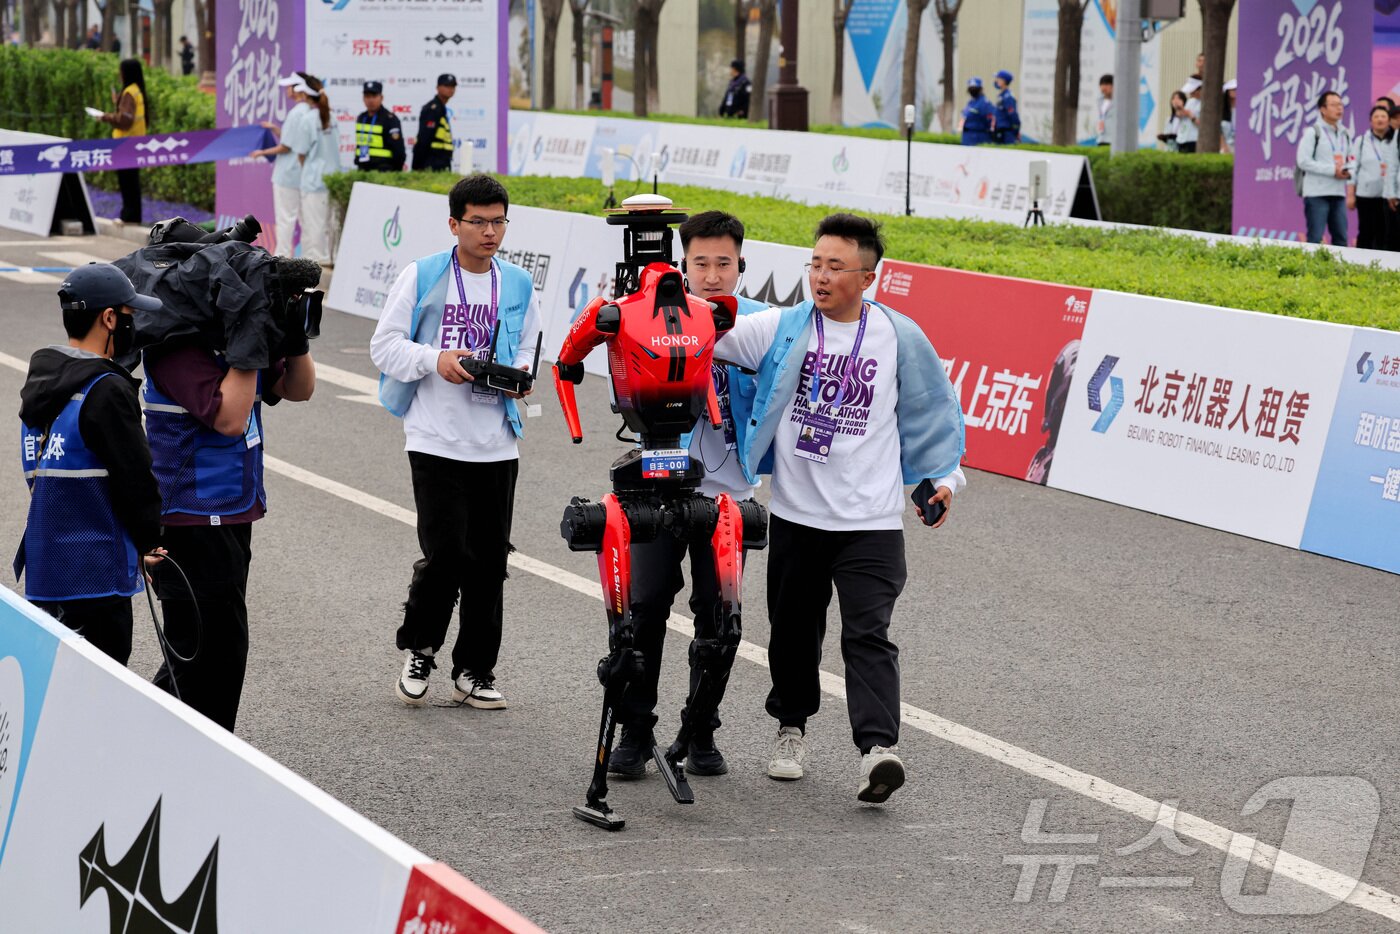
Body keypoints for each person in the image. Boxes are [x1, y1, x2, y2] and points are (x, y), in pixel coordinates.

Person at [716, 213, 965, 804]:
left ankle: (877, 751)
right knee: (794, 634)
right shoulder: (781, 328)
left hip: (871, 523)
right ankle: (791, 728)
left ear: (868, 276)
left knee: (869, 634)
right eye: (815, 264)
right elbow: (708, 336)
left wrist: (945, 480)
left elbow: (933, 414)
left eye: (835, 266)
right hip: (799, 515)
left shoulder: (901, 337)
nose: (821, 276)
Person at [370, 174, 543, 709]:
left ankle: (475, 670)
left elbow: (532, 347)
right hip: (434, 440)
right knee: (445, 555)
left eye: (499, 221)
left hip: (496, 441)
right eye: (479, 222)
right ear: (455, 224)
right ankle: (421, 647)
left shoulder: (515, 283)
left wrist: (518, 374)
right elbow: (385, 347)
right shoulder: (422, 275)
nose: (491, 232)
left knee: (490, 561)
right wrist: (435, 359)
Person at [608, 211, 767, 780]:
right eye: (700, 262)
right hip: (657, 490)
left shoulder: (763, 326)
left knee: (719, 616)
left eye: (724, 263)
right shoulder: (652, 315)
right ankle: (634, 728)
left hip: (728, 499)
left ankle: (701, 729)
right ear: (682, 265)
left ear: (741, 265)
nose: (712, 274)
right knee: (644, 608)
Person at [141, 265, 317, 731]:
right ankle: (182, 757)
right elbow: (230, 420)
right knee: (208, 655)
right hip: (189, 522)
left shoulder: (231, 341)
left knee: (209, 655)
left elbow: (298, 389)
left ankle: (159, 751)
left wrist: (294, 337)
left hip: (233, 514)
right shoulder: (176, 349)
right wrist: (248, 340)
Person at [17, 264, 164, 665]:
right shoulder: (107, 388)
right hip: (97, 573)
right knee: (97, 693)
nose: (132, 326)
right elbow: (136, 478)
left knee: (53, 688)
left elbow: (34, 472)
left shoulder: (42, 384)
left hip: (46, 567)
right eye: (129, 316)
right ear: (109, 318)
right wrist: (151, 542)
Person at [249, 75, 314, 258]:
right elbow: (291, 139)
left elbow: (286, 146)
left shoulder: (296, 113)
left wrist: (261, 152)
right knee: (305, 218)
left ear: (298, 89)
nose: (287, 91)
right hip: (302, 174)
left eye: (289, 87)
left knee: (286, 218)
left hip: (287, 175)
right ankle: (309, 257)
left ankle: (282, 257)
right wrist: (274, 128)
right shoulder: (309, 111)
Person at [1297, 90, 1354, 246]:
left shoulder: (1345, 134)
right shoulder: (1313, 132)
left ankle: (1339, 270)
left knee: (1341, 238)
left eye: (1341, 105)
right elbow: (1303, 161)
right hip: (1317, 193)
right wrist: (1332, 170)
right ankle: (1310, 270)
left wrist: (1348, 171)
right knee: (1315, 237)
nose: (1339, 108)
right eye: (1334, 105)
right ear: (1322, 109)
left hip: (1338, 192)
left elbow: (1351, 158)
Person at [96, 58, 148, 224]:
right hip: (136, 142)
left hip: (125, 144)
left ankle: (129, 215)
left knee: (127, 182)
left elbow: (125, 121)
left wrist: (106, 117)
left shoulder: (129, 93)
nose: (120, 75)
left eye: (121, 72)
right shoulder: (136, 90)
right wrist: (118, 103)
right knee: (132, 181)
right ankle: (133, 215)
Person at [299, 76, 340, 265]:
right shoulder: (333, 117)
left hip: (313, 180)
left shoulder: (308, 119)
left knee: (314, 225)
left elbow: (301, 153)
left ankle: (317, 263)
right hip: (333, 178)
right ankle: (330, 257)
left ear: (307, 95)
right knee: (330, 224)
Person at [1347, 104, 1399, 250]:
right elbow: (1352, 167)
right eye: (1376, 117)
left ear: (1389, 120)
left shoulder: (1394, 140)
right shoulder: (1361, 141)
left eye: (1383, 116)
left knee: (1386, 234)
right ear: (1371, 121)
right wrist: (1350, 194)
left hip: (1388, 197)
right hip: (1366, 196)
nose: (1380, 119)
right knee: (1366, 233)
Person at [355, 81, 405, 172]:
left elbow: (399, 150)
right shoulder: (361, 117)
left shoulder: (390, 119)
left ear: (381, 98)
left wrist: (395, 172)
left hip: (384, 171)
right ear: (363, 98)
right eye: (367, 96)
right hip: (363, 170)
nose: (370, 100)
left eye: (374, 96)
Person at [412, 74, 457, 172]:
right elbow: (424, 138)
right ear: (438, 88)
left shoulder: (441, 108)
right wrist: (418, 166)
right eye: (446, 86)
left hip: (440, 162)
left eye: (452, 86)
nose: (450, 89)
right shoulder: (433, 109)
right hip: (431, 163)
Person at [960, 77, 996, 146]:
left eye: (974, 88)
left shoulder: (984, 103)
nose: (972, 90)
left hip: (979, 137)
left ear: (980, 89)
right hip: (967, 137)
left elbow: (990, 121)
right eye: (971, 88)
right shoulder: (970, 102)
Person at [992, 70, 1020, 144]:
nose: (996, 81)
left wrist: (1016, 131)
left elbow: (1013, 115)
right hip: (999, 130)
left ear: (1004, 81)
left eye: (998, 79)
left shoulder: (1008, 97)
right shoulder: (1001, 95)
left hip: (1006, 132)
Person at [1176, 77, 1203, 153]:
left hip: (1194, 140)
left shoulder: (1206, 103)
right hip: (1182, 139)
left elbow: (1204, 126)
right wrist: (1179, 109)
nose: (1190, 93)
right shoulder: (1190, 101)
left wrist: (1191, 116)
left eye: (1193, 91)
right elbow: (1181, 115)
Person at [1096, 74, 1114, 146]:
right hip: (1102, 137)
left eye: (1106, 84)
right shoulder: (1100, 101)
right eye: (1102, 84)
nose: (1103, 87)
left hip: (1113, 139)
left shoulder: (1120, 101)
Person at [1220, 79, 1237, 153]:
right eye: (1233, 89)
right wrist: (1224, 146)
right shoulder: (1222, 110)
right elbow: (1220, 132)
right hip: (1227, 145)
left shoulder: (1243, 109)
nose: (1235, 91)